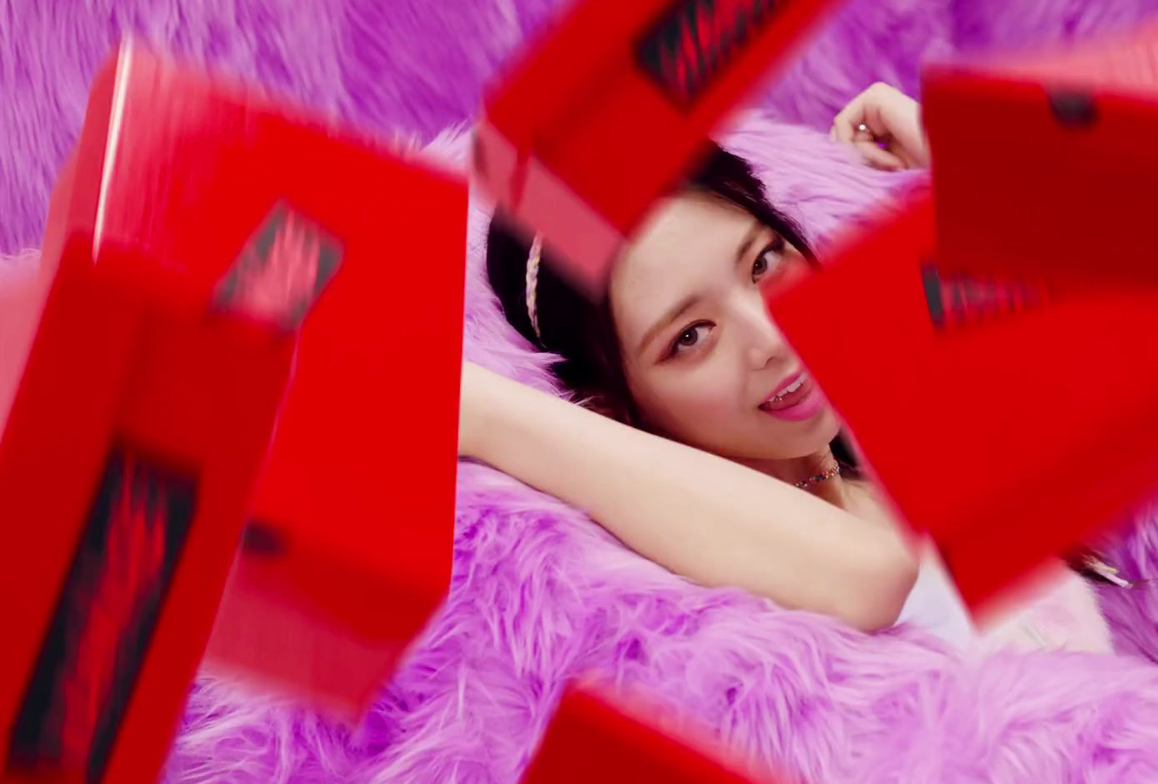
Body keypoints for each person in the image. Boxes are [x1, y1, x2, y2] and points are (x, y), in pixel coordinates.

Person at [461, 84, 1111, 650]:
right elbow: (869, 573)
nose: (774, 332)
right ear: (608, 407)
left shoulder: (911, 449)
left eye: (764, 262)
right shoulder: (700, 581)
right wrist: (480, 412)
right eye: (690, 336)